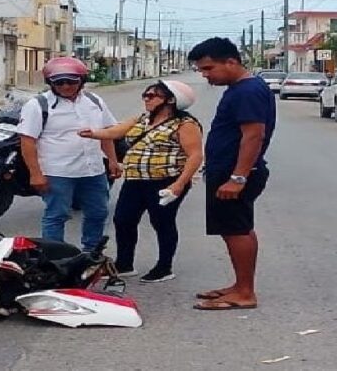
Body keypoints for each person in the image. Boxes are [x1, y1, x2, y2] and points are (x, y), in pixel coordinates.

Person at [79, 80, 204, 283]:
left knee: (162, 222)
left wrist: (179, 184)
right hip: (136, 180)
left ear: (171, 100)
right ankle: (124, 264)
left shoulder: (185, 124)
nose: (146, 99)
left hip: (165, 181)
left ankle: (164, 267)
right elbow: (116, 131)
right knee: (123, 220)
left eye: (152, 96)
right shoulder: (143, 119)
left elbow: (195, 156)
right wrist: (93, 133)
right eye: (145, 95)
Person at [188, 37, 276, 311]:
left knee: (238, 229)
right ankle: (239, 286)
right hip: (227, 171)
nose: (205, 75)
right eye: (201, 70)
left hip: (236, 174)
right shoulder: (239, 89)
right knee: (231, 229)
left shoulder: (247, 91)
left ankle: (245, 293)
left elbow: (253, 135)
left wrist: (238, 178)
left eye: (209, 68)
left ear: (231, 61)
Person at [16, 57, 123, 251]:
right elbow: (28, 141)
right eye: (59, 82)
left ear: (81, 80)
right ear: (51, 83)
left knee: (98, 213)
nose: (66, 86)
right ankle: (55, 256)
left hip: (93, 170)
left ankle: (91, 253)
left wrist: (113, 161)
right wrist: (36, 174)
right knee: (56, 215)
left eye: (72, 81)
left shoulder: (94, 101)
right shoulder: (38, 105)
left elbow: (106, 133)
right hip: (58, 172)